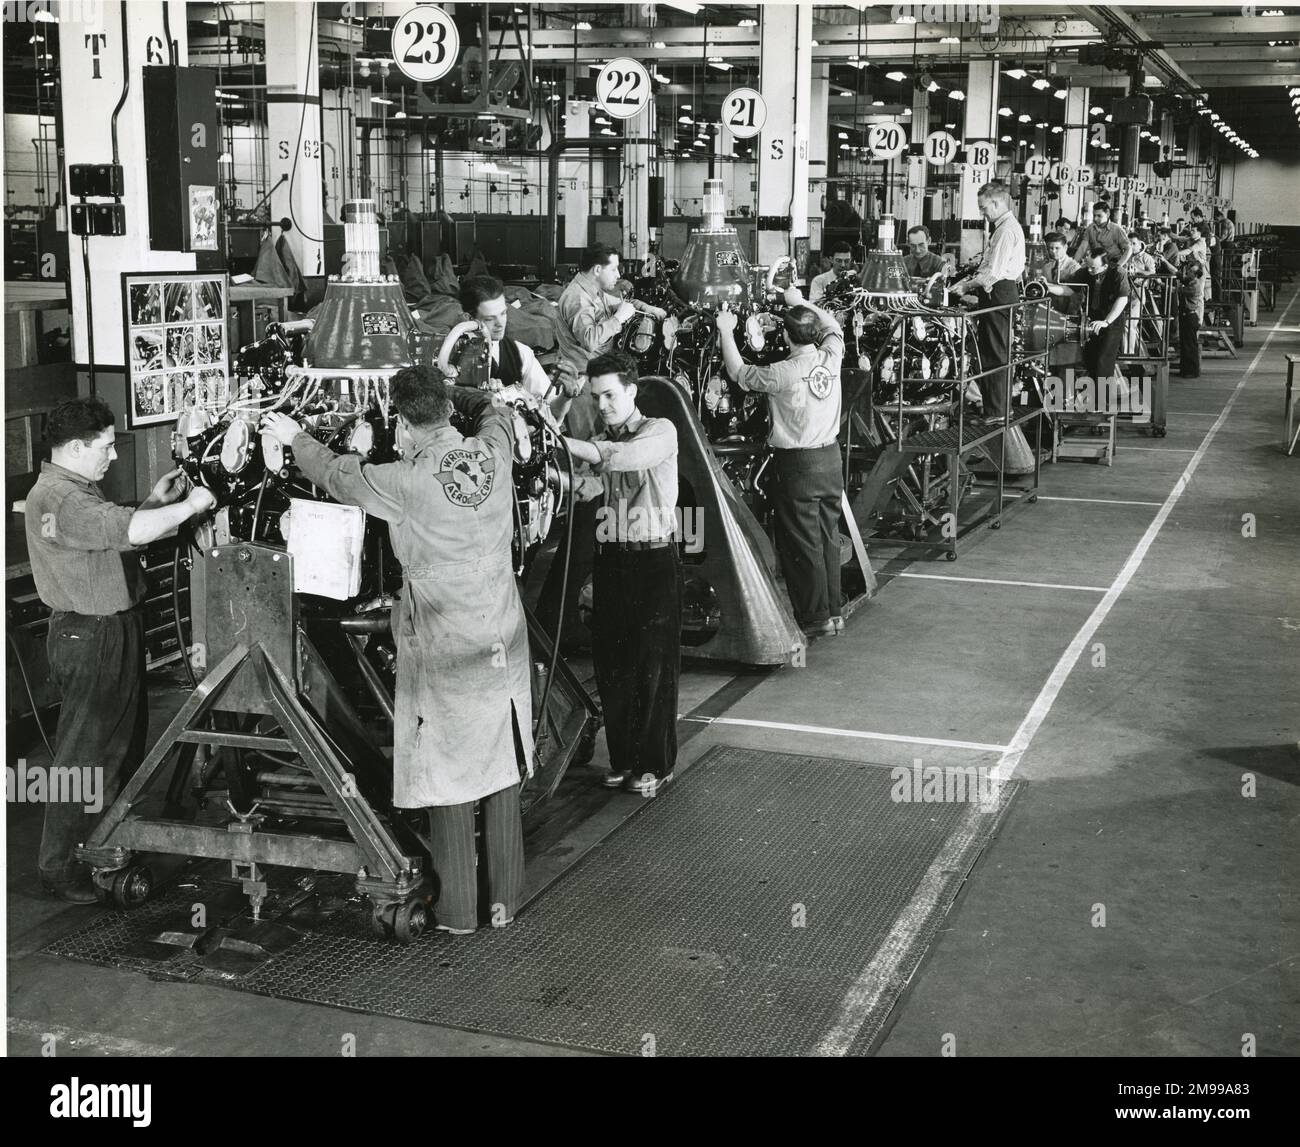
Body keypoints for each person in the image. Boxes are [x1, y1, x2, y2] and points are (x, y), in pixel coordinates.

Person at [262, 369, 533, 935]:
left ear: (403, 425)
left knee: (449, 771)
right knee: (500, 758)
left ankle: (460, 914)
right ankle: (505, 902)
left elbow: (340, 477)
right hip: (501, 628)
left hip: (443, 635)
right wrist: (456, 391)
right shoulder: (492, 452)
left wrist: (295, 439)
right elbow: (495, 409)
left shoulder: (406, 480)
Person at [23, 397, 216, 902]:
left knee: (118, 749)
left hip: (108, 631)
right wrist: (192, 506)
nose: (111, 456)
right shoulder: (64, 499)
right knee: (83, 756)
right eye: (106, 447)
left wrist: (156, 500)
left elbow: (117, 535)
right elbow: (129, 531)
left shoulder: (74, 493)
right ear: (76, 447)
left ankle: (101, 846)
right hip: (91, 635)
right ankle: (61, 866)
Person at [559, 353, 682, 798]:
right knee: (613, 665)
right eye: (596, 397)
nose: (604, 404)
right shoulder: (597, 439)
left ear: (632, 390)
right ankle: (624, 759)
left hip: (652, 561)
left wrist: (569, 444)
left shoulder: (659, 432)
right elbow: (587, 483)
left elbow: (623, 458)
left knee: (652, 666)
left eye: (610, 394)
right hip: (611, 560)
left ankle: (656, 763)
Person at [543, 244, 667, 646]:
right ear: (597, 269)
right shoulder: (577, 299)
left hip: (600, 385)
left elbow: (619, 298)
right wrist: (622, 317)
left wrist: (651, 311)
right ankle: (583, 531)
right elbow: (594, 336)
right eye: (613, 270)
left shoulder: (594, 289)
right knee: (590, 466)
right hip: (583, 389)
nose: (617, 277)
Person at [716, 284, 845, 641]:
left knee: (802, 543)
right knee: (827, 536)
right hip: (831, 460)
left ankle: (815, 617)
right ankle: (834, 612)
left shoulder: (781, 372)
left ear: (786, 336)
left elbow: (738, 372)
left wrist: (726, 331)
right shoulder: (831, 356)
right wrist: (801, 301)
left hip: (799, 466)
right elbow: (834, 327)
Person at [446, 274, 577, 422]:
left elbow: (551, 415)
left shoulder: (520, 354)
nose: (500, 323)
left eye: (503, 313)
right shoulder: (446, 356)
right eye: (490, 318)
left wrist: (566, 396)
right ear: (469, 319)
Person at [948, 180, 1026, 421]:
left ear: (997, 202)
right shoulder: (1005, 227)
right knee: (993, 351)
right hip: (999, 293)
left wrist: (965, 285)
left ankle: (996, 411)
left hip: (999, 293)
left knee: (996, 353)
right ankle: (997, 408)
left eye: (984, 207)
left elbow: (993, 273)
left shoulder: (1005, 230)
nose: (982, 212)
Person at [1073, 246, 1131, 397]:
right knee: (1090, 358)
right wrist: (1048, 287)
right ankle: (1092, 398)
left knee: (1103, 361)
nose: (1090, 271)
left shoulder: (1118, 272)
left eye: (1093, 268)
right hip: (1092, 319)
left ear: (1105, 266)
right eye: (1088, 266)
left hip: (1112, 321)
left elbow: (1122, 299)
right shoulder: (1086, 271)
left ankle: (1103, 402)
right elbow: (1070, 289)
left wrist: (1106, 322)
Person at [1072, 200, 1131, 267]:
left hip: (1112, 264)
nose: (1095, 218)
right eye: (1094, 215)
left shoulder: (1116, 229)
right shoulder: (1090, 228)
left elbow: (1129, 249)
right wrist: (1073, 266)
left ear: (1107, 214)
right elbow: (1082, 248)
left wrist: (1118, 266)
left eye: (1099, 216)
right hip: (1096, 265)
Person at [1176, 257, 1205, 379]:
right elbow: (1179, 276)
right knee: (1185, 343)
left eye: (1191, 272)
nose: (1188, 272)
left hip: (1191, 317)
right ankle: (1185, 369)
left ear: (1196, 274)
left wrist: (1162, 284)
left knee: (1190, 345)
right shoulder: (1190, 281)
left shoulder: (1194, 286)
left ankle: (1192, 371)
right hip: (1186, 316)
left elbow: (1178, 290)